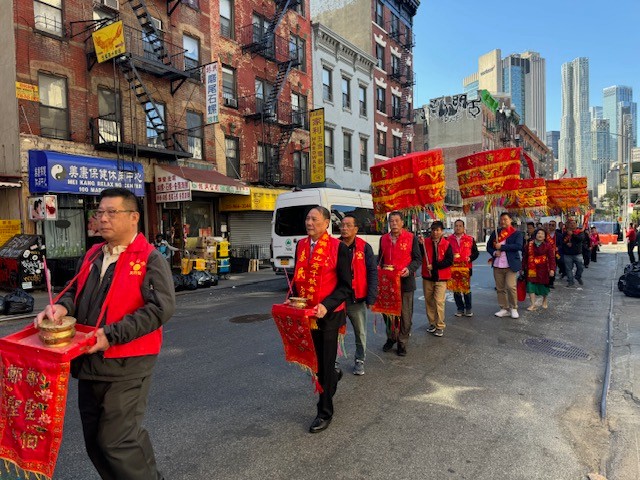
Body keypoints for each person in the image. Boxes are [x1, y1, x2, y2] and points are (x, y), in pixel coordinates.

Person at [34, 187, 175, 480]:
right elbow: (75, 290)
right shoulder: (93, 254)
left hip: (127, 363)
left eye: (112, 212)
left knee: (118, 441)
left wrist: (111, 334)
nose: (103, 219)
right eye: (100, 212)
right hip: (88, 360)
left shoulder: (149, 258)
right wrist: (60, 307)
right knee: (96, 444)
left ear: (134, 217)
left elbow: (161, 308)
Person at [291, 206, 351, 433]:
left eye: (314, 219)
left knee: (324, 364)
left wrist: (326, 305)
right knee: (314, 361)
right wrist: (291, 300)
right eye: (307, 218)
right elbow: (297, 279)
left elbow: (346, 287)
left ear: (327, 223)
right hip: (306, 313)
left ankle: (324, 412)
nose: (309, 222)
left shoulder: (338, 248)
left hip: (329, 314)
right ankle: (332, 376)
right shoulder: (301, 246)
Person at [379, 211, 422, 356]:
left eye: (397, 221)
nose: (394, 223)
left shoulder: (411, 238)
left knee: (405, 315)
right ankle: (391, 338)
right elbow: (380, 258)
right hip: (387, 284)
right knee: (388, 314)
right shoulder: (383, 239)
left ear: (403, 222)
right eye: (391, 221)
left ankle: (402, 343)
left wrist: (409, 269)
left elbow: (417, 259)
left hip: (405, 282)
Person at [339, 214, 378, 376]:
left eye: (348, 225)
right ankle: (333, 361)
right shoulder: (334, 245)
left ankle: (359, 360)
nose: (344, 228)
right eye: (342, 225)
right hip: (338, 298)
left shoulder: (364, 247)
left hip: (357, 298)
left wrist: (371, 296)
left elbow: (372, 272)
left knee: (360, 332)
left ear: (356, 229)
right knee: (334, 332)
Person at [487, 212, 524, 319]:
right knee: (500, 288)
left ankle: (514, 308)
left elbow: (518, 246)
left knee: (511, 287)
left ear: (510, 220)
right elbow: (489, 247)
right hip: (497, 265)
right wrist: (494, 252)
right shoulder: (496, 233)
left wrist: (502, 247)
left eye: (505, 219)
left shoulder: (516, 233)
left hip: (510, 265)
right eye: (501, 219)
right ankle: (504, 308)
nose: (503, 221)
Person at [421, 221, 453, 337]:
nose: (435, 232)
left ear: (442, 231)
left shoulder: (447, 244)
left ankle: (440, 325)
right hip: (427, 277)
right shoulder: (425, 243)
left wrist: (434, 266)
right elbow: (418, 256)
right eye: (433, 230)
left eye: (438, 230)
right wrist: (420, 244)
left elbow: (449, 261)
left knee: (439, 302)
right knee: (429, 301)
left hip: (441, 277)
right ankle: (432, 323)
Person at [447, 219, 479, 317]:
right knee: (456, 290)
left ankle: (468, 308)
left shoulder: (470, 239)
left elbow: (476, 253)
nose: (458, 227)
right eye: (456, 226)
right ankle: (460, 308)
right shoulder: (448, 240)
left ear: (464, 227)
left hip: (466, 268)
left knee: (466, 289)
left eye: (460, 226)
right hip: (453, 268)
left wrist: (470, 258)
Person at [523, 228, 556, 311]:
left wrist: (552, 269)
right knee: (530, 285)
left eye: (542, 234)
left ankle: (544, 300)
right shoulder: (529, 245)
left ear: (545, 237)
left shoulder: (547, 246)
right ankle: (533, 304)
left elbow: (552, 258)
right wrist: (522, 267)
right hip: (531, 268)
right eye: (538, 233)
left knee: (543, 286)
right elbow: (525, 257)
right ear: (535, 235)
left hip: (543, 269)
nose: (540, 235)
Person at [562, 218, 586, 287]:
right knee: (568, 269)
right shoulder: (565, 233)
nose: (572, 225)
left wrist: (572, 235)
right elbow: (562, 242)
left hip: (577, 254)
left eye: (574, 223)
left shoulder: (580, 231)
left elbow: (580, 239)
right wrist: (566, 244)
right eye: (571, 224)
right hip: (567, 254)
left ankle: (578, 276)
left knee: (580, 267)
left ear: (576, 224)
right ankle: (570, 281)